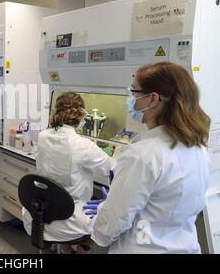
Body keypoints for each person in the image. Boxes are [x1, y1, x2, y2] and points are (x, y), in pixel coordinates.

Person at [86, 61, 211, 254]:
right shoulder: (197, 147)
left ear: (152, 99)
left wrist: (106, 212)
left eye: (134, 92)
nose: (130, 99)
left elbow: (111, 225)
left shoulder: (142, 154)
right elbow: (166, 207)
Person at [21, 92, 115, 253]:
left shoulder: (43, 136)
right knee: (101, 210)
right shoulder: (83, 144)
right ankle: (80, 248)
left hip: (39, 216)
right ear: (81, 114)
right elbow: (111, 167)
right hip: (71, 225)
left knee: (63, 196)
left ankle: (66, 249)